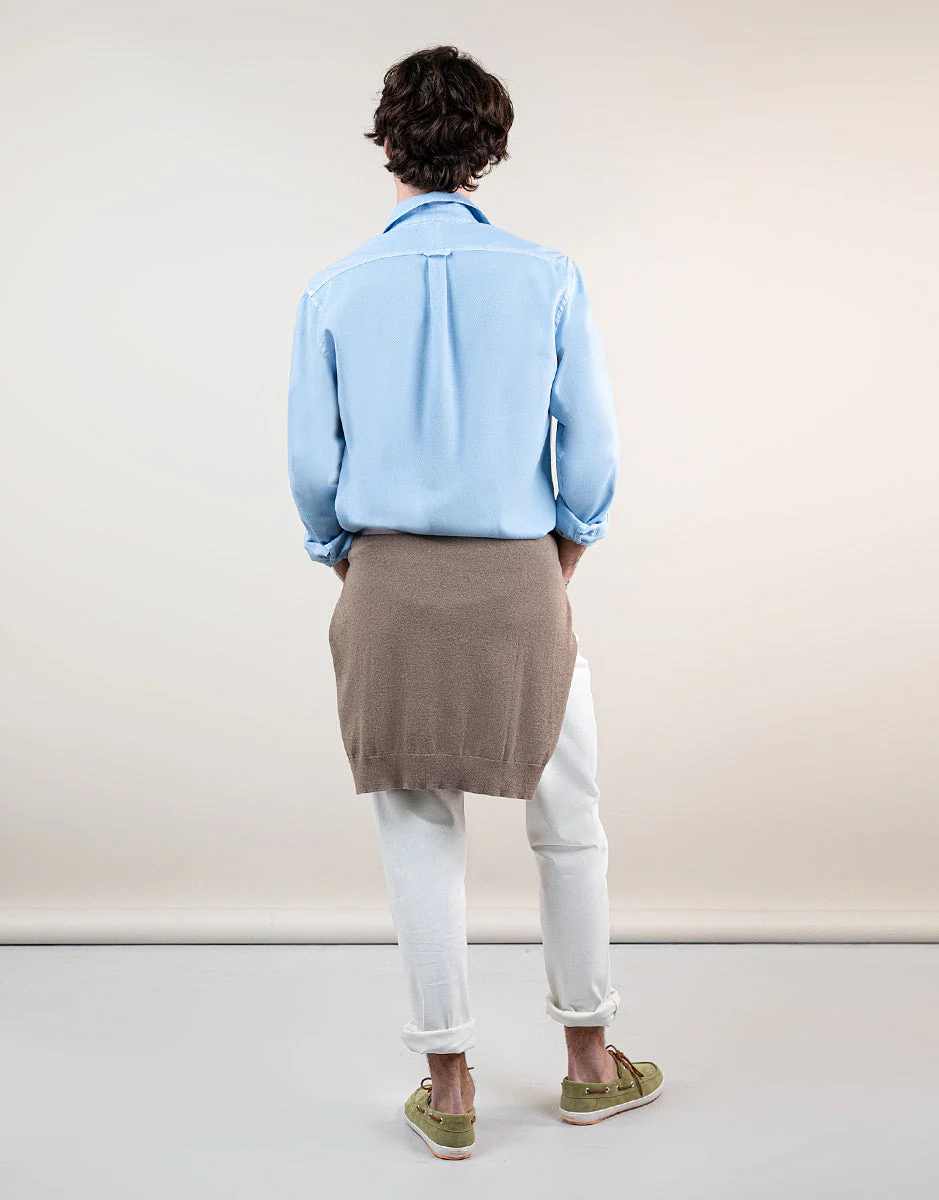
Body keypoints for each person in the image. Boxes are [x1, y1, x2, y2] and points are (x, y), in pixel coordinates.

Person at [287, 44, 663, 1160]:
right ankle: (589, 1064)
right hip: (519, 579)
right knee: (570, 820)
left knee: (417, 830)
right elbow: (590, 453)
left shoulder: (334, 289)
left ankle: (448, 1088)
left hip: (389, 582)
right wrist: (563, 552)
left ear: (387, 143)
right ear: (489, 149)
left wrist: (348, 558)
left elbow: (312, 466)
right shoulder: (549, 277)